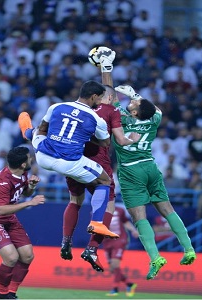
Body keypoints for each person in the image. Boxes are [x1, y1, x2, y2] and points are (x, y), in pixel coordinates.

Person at [100, 49, 197, 280]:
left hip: (130, 171)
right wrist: (135, 94)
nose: (133, 101)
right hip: (150, 167)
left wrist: (106, 68)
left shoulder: (121, 117)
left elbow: (109, 97)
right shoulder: (153, 119)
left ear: (133, 111)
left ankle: (155, 258)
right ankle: (189, 249)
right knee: (167, 209)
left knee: (139, 217)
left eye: (135, 102)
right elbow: (154, 109)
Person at [18, 79, 139, 240]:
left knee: (38, 134)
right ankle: (97, 222)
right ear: (94, 97)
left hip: (43, 157)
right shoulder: (96, 119)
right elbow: (105, 143)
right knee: (105, 181)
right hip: (69, 162)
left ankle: (27, 132)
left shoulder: (56, 107)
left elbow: (44, 128)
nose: (100, 102)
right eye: (100, 98)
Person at [60, 50, 141, 272]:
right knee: (109, 206)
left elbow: (108, 93)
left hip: (74, 160)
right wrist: (132, 139)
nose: (114, 98)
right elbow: (120, 136)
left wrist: (106, 68)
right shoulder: (110, 110)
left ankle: (66, 240)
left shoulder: (75, 108)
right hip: (99, 164)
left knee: (74, 201)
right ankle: (92, 248)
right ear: (104, 97)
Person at [0, 146, 46, 299]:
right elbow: (1, 209)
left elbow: (25, 192)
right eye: (29, 158)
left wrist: (31, 186)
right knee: (11, 257)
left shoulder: (22, 173)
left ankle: (11, 293)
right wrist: (29, 203)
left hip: (8, 218)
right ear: (22, 164)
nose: (31, 159)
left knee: (27, 256)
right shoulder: (1, 181)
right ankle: (1, 294)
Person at [103, 203, 139, 297]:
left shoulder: (119, 210)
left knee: (115, 264)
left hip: (119, 239)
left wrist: (133, 230)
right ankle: (129, 284)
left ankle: (115, 289)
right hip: (106, 241)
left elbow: (125, 222)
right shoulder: (98, 210)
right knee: (112, 268)